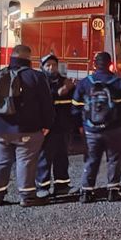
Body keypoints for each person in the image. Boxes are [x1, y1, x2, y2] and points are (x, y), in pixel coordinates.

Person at [0, 44, 54, 207]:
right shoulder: (36, 77)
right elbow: (47, 104)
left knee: (1, 161)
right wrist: (47, 125)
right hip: (27, 129)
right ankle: (27, 196)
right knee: (26, 161)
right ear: (29, 58)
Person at [71, 51, 121, 203]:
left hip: (91, 130)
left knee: (91, 159)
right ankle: (113, 190)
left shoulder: (85, 83)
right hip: (115, 130)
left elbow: (75, 108)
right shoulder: (119, 83)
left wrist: (80, 126)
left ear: (94, 65)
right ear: (110, 64)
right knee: (114, 159)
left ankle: (86, 192)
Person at [36, 52, 76, 198]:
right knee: (44, 157)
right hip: (47, 128)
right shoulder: (40, 83)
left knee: (62, 156)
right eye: (48, 65)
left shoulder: (65, 82)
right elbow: (42, 101)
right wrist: (60, 92)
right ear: (42, 67)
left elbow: (74, 102)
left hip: (63, 127)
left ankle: (62, 186)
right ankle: (42, 187)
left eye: (54, 65)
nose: (51, 68)